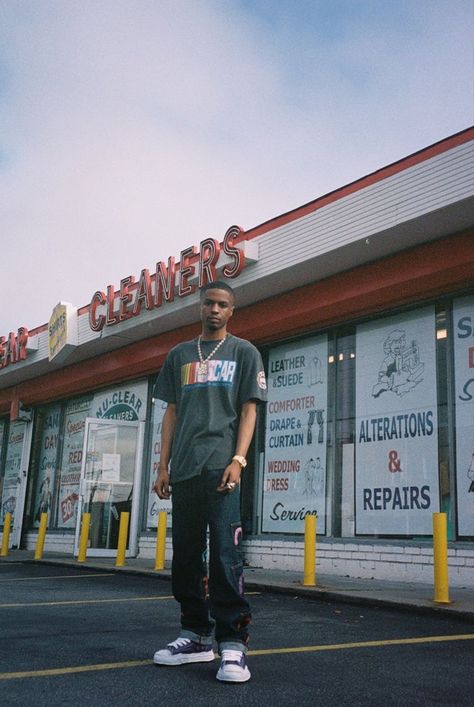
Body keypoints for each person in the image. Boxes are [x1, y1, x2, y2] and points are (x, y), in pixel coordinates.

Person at [152, 280, 267, 683]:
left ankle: (233, 645)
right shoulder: (179, 355)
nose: (214, 309)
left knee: (224, 555)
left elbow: (249, 410)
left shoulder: (244, 352)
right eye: (208, 303)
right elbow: (171, 414)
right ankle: (196, 637)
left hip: (222, 470)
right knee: (185, 558)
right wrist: (162, 466)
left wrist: (239, 459)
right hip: (184, 470)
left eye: (222, 304)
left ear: (231, 311)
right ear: (199, 308)